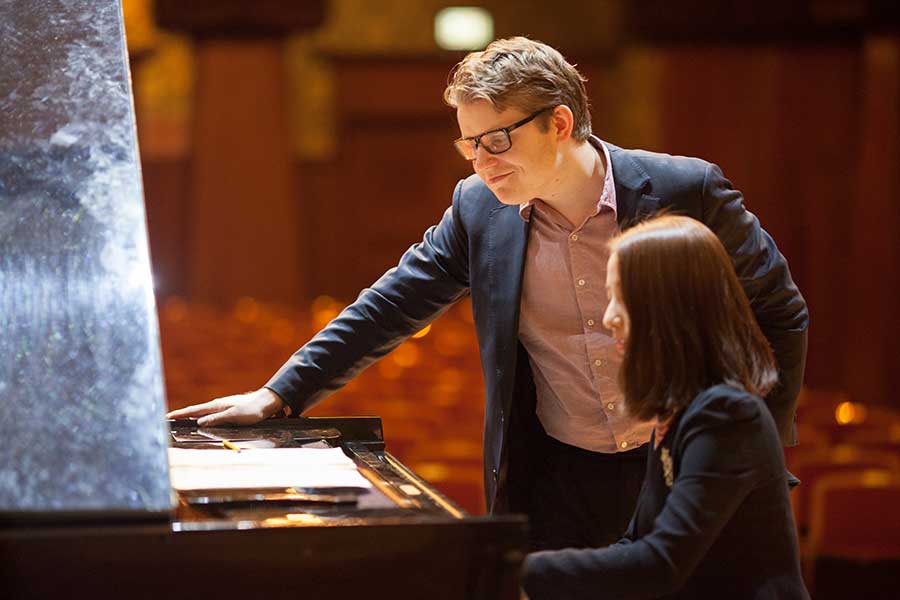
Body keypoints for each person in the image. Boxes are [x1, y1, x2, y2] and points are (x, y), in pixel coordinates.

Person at [167, 37, 808, 551]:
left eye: (497, 141)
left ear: (560, 122)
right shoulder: (479, 209)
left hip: (681, 465)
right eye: (468, 145)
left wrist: (755, 446)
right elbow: (390, 304)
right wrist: (280, 393)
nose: (481, 163)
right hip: (557, 475)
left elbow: (781, 312)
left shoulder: (686, 189)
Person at [521, 215, 810, 599]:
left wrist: (512, 570)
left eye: (620, 298)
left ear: (667, 305)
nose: (609, 318)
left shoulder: (726, 415)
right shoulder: (680, 410)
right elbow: (636, 544)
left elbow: (660, 564)